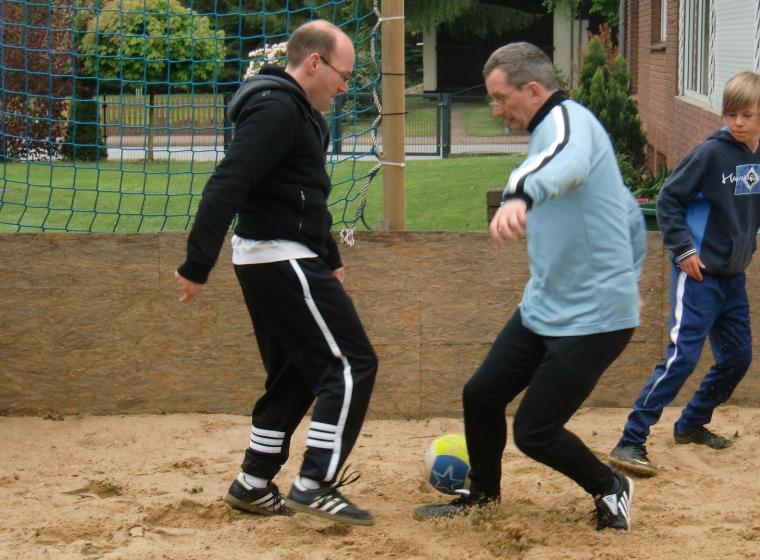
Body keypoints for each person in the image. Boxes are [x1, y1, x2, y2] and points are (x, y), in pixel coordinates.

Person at [412, 42, 647, 531]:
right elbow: (626, 213)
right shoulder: (560, 131)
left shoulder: (567, 125)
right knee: (481, 395)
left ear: (533, 90)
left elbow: (566, 160)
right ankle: (483, 496)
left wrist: (519, 193)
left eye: (500, 99)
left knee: (535, 431)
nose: (496, 111)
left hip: (594, 319)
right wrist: (631, 271)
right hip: (546, 304)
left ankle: (610, 488)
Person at [174, 20, 378, 525]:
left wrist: (330, 258)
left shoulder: (301, 114)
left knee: (298, 373)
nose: (346, 85)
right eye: (343, 73)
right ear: (314, 63)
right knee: (350, 365)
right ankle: (315, 482)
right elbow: (228, 183)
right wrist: (197, 262)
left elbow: (305, 196)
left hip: (280, 256)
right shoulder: (275, 109)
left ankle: (253, 482)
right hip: (277, 255)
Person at [608, 71, 760, 477]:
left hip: (733, 277)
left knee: (737, 358)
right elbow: (670, 199)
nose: (738, 122)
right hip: (698, 276)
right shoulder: (711, 154)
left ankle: (691, 424)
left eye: (746, 115)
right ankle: (631, 440)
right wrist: (683, 250)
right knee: (682, 357)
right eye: (731, 114)